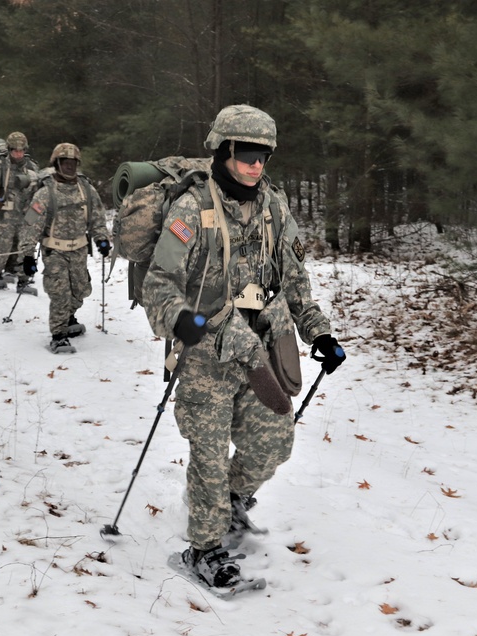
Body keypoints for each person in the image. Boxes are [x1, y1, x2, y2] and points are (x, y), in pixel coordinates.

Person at [141, 104, 347, 589]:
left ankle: (232, 501)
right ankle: (204, 548)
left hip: (262, 347)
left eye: (264, 156)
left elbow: (296, 280)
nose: (257, 166)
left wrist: (318, 330)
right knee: (209, 456)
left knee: (274, 441)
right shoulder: (193, 208)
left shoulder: (275, 207)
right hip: (208, 353)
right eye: (248, 155)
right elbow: (159, 284)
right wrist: (181, 321)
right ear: (226, 150)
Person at [20, 143, 110, 353]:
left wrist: (102, 239)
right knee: (60, 293)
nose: (69, 167)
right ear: (57, 163)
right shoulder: (45, 193)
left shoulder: (86, 190)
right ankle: (58, 334)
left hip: (79, 249)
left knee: (80, 290)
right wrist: (27, 255)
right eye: (65, 163)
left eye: (73, 163)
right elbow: (31, 225)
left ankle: (69, 318)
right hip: (55, 251)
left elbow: (97, 217)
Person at [0, 131, 39, 294]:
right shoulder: (0, 167)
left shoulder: (31, 167)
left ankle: (23, 280)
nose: (18, 154)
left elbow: (39, 193)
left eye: (21, 150)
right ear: (9, 150)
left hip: (27, 214)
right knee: (2, 248)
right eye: (15, 151)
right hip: (4, 215)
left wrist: (37, 211)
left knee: (27, 249)